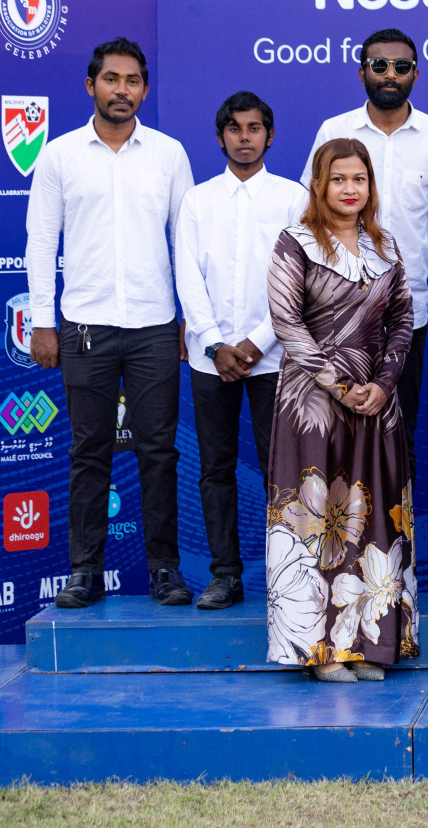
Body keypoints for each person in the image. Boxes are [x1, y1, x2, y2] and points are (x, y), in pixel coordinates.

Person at [25, 37, 195, 608]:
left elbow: (188, 244)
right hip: (83, 325)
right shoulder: (59, 156)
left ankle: (165, 570)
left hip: (153, 324)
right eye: (111, 79)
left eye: (132, 81)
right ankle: (84, 572)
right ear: (91, 85)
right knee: (88, 452)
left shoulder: (169, 154)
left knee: (160, 452)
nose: (122, 90)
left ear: (144, 88)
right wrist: (43, 323)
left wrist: (189, 321)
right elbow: (42, 240)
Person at [265, 139, 417, 683]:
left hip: (376, 406)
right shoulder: (296, 242)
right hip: (313, 405)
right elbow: (287, 324)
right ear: (319, 185)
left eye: (360, 179)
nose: (350, 189)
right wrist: (338, 384)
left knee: (370, 518)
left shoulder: (387, 245)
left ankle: (364, 644)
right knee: (317, 521)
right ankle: (320, 651)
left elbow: (403, 321)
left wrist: (382, 382)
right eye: (339, 179)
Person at [174, 91, 307, 610]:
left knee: (283, 470)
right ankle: (226, 574)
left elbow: (297, 281)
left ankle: (288, 577)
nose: (245, 137)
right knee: (215, 467)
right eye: (235, 128)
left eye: (255, 128)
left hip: (273, 356)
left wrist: (254, 342)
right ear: (220, 136)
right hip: (212, 360)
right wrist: (213, 343)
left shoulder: (293, 198)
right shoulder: (198, 201)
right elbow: (188, 276)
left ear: (270, 136)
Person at [306, 28, 428, 474]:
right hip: (335, 309)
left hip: (404, 310)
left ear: (416, 73)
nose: (390, 74)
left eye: (401, 66)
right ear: (361, 73)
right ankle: (343, 543)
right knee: (334, 435)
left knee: (399, 431)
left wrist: (391, 266)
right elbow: (313, 211)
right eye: (380, 65)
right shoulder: (334, 131)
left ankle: (399, 543)